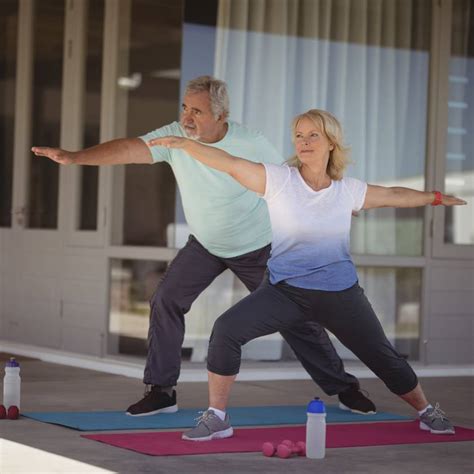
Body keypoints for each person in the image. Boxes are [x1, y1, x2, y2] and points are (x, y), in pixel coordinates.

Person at [31, 76, 375, 417]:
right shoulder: (175, 137)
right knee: (166, 300)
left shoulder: (250, 142)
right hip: (206, 243)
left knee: (296, 318)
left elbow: (294, 175)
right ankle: (162, 390)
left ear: (221, 116)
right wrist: (75, 158)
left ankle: (344, 388)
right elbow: (128, 149)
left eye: (197, 111)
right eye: (185, 108)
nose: (187, 117)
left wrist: (333, 199)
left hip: (258, 245)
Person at [148, 108, 466, 441]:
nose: (304, 142)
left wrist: (436, 197)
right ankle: (217, 417)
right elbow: (229, 162)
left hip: (340, 295)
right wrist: (184, 145)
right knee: (226, 330)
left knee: (382, 357)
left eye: (313, 134)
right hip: (284, 292)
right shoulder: (279, 181)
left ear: (331, 142)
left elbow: (392, 195)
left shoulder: (347, 191)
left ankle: (428, 411)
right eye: (299, 135)